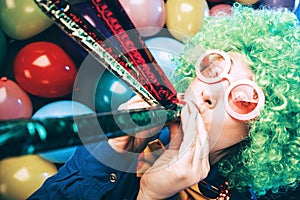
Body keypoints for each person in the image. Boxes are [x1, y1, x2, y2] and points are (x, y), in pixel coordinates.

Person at [28, 3, 299, 200]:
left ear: (264, 132)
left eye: (241, 99)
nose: (208, 94)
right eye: (215, 70)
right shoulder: (127, 143)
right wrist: (112, 152)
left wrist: (150, 195)